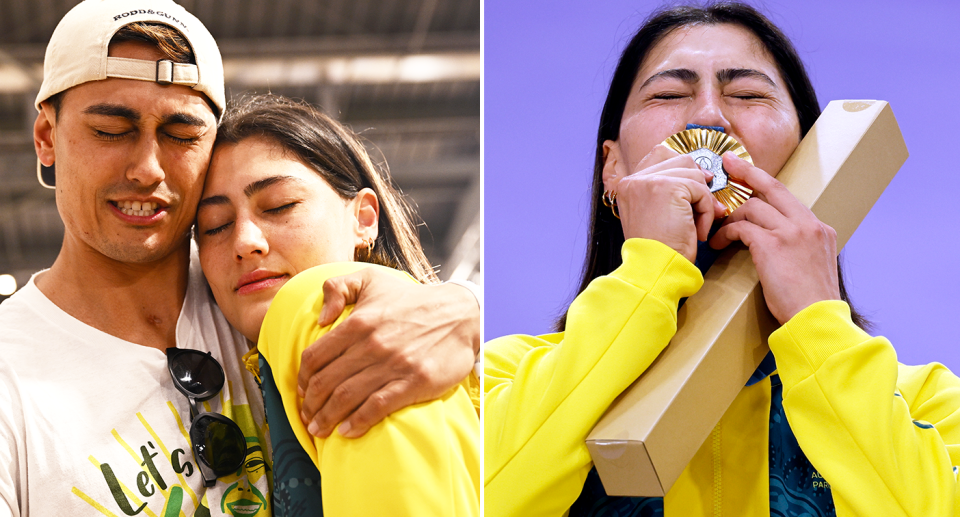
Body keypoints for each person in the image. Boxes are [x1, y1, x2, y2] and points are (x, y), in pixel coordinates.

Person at [0, 1, 479, 515]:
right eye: (110, 131)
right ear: (47, 138)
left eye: (181, 135)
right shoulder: (12, 370)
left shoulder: (269, 297)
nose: (146, 169)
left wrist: (462, 309)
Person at [484, 3, 960, 517]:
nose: (709, 117)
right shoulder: (497, 379)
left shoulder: (925, 403)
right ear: (613, 169)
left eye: (749, 94)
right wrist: (647, 276)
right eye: (668, 94)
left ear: (808, 154)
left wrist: (816, 325)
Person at [195, 93, 480, 516]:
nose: (245, 242)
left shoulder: (336, 314)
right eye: (215, 227)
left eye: (279, 206)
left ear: (364, 219)